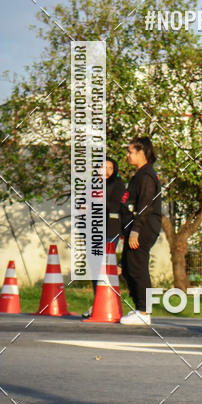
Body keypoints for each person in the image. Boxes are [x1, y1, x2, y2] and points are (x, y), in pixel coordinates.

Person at [120, 136, 162, 326]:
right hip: (134, 226)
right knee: (129, 267)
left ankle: (144, 312)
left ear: (142, 153)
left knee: (138, 267)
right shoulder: (139, 175)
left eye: (131, 152)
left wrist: (136, 230)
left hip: (143, 227)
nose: (127, 155)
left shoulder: (146, 177)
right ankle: (139, 308)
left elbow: (145, 205)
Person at [83, 157, 126, 319]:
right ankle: (97, 303)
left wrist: (97, 202)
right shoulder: (91, 184)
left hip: (111, 229)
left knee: (105, 265)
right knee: (95, 268)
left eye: (110, 167)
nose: (106, 171)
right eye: (103, 167)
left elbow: (116, 205)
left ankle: (111, 302)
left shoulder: (118, 184)